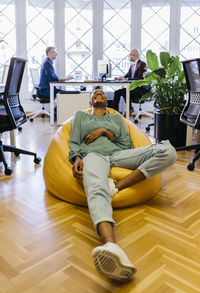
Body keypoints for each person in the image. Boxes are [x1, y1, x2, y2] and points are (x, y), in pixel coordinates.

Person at [69, 89, 177, 283]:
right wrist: (77, 158)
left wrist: (104, 132)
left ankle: (119, 185)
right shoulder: (80, 116)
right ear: (90, 101)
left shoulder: (117, 118)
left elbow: (126, 144)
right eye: (94, 94)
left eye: (101, 93)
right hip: (93, 156)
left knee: (167, 151)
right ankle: (111, 245)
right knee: (95, 185)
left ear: (107, 100)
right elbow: (74, 142)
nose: (98, 95)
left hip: (119, 155)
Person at [111, 48, 147, 113]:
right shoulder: (132, 65)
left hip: (139, 89)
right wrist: (119, 78)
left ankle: (130, 109)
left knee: (125, 91)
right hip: (132, 88)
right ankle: (114, 112)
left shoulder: (142, 64)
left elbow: (140, 78)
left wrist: (126, 79)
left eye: (130, 55)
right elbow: (127, 75)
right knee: (117, 92)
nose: (129, 56)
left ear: (135, 56)